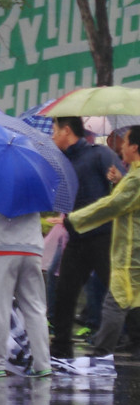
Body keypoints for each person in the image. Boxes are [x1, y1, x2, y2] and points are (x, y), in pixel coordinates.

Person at [50, 116, 124, 362]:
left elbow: (122, 190)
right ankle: (61, 347)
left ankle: (131, 338)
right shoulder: (63, 162)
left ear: (67, 130)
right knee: (65, 293)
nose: (53, 136)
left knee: (118, 293)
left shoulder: (99, 154)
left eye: (55, 130)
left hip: (104, 238)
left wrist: (117, 180)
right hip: (77, 238)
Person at [67, 125, 140, 369]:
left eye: (126, 141)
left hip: (130, 255)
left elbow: (112, 205)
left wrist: (74, 219)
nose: (121, 146)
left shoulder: (136, 178)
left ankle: (101, 357)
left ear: (135, 148)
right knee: (131, 303)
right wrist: (120, 181)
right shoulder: (133, 176)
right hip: (130, 253)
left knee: (115, 303)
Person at [0, 196, 53, 379]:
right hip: (31, 249)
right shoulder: (32, 180)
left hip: (1, 249)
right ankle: (42, 364)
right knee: (35, 308)